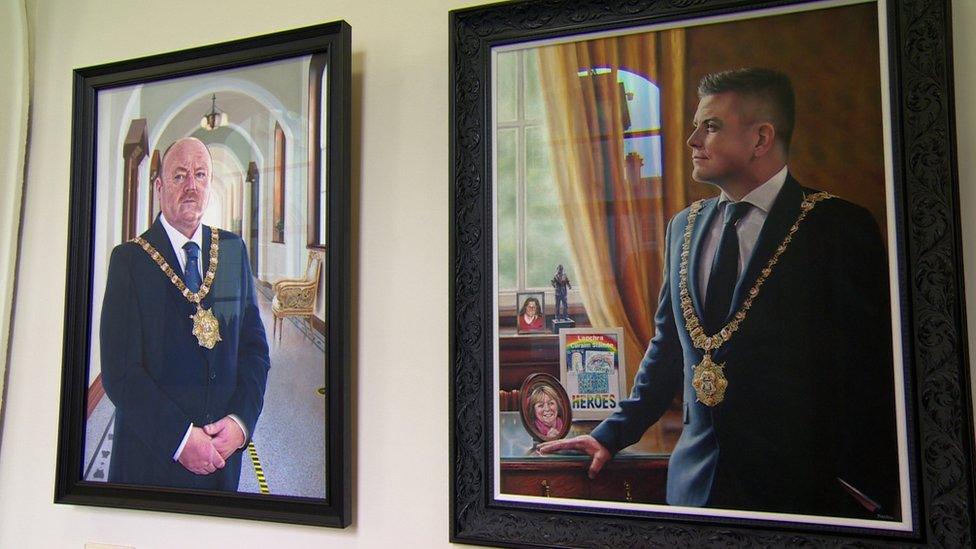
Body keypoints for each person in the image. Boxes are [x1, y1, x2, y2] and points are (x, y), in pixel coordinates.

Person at [540, 68, 900, 520]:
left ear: (761, 139)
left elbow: (870, 371)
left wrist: (865, 492)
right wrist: (610, 435)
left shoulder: (837, 227)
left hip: (800, 496)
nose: (693, 140)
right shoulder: (683, 228)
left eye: (710, 126)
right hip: (693, 488)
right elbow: (667, 350)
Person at [100, 137, 271, 491]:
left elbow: (253, 351)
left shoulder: (230, 251)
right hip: (149, 463)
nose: (191, 185)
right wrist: (180, 439)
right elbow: (119, 372)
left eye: (200, 175)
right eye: (179, 176)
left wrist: (240, 423)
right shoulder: (129, 260)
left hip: (221, 462)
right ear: (160, 188)